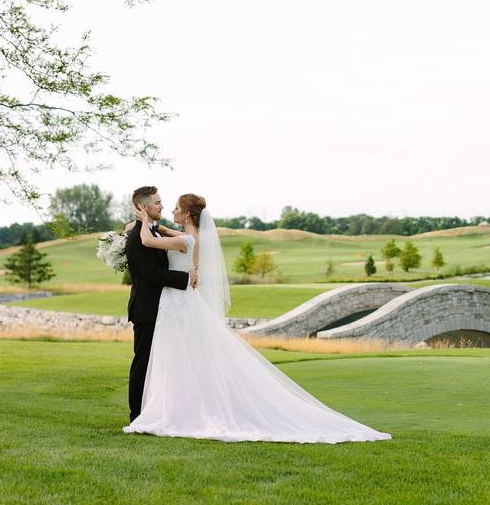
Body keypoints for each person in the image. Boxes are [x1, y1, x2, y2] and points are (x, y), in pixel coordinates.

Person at [123, 192, 391, 444]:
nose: (170, 210)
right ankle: (170, 409)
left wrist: (144, 221)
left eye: (177, 209)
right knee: (177, 359)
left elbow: (148, 240)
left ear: (189, 215)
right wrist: (138, 226)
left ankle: (174, 412)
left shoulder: (186, 239)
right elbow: (160, 234)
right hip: (174, 304)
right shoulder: (187, 235)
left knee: (178, 358)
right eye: (162, 204)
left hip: (177, 303)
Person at [123, 186, 194, 423]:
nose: (162, 206)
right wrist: (186, 279)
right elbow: (153, 274)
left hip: (163, 308)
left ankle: (156, 409)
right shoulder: (137, 239)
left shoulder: (151, 232)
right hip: (146, 309)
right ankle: (136, 415)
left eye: (162, 202)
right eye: (157, 202)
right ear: (143, 207)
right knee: (142, 362)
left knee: (159, 362)